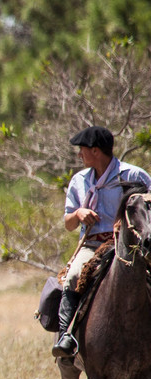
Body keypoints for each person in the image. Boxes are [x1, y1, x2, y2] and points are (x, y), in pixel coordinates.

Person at [53, 125, 151, 357]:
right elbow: (68, 223)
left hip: (129, 246)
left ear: (95, 151)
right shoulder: (79, 181)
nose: (79, 155)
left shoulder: (134, 175)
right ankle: (66, 336)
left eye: (82, 150)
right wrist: (78, 214)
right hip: (93, 245)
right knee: (73, 277)